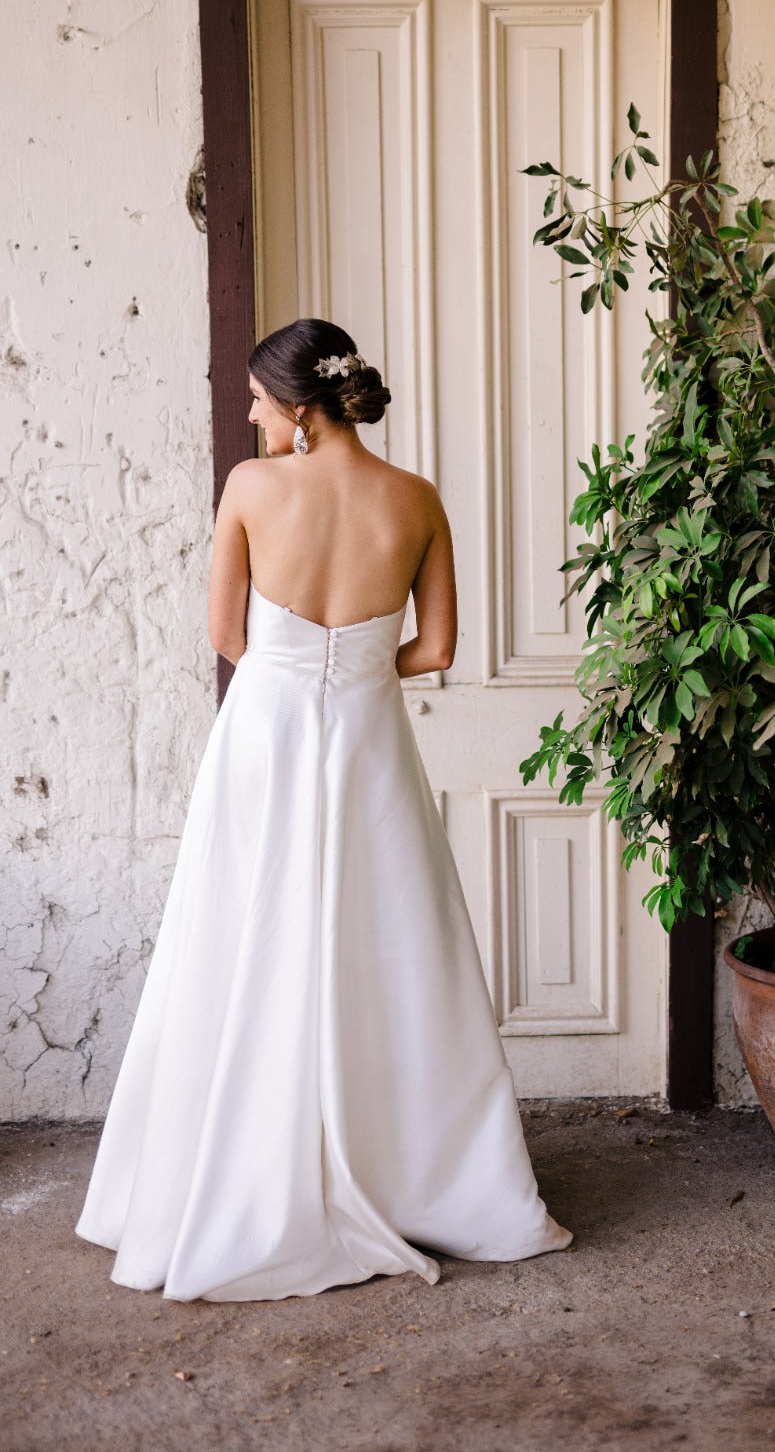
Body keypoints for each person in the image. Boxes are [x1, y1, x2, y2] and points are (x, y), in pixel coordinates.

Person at [75, 317, 572, 1301]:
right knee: (387, 947)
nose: (250, 415)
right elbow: (434, 652)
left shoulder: (254, 490)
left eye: (258, 400)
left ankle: (235, 1172)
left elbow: (228, 634)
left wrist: (304, 668)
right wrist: (353, 673)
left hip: (264, 741)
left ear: (298, 410)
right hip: (369, 740)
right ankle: (420, 1175)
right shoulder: (416, 497)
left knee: (243, 938)